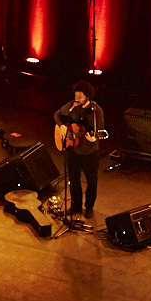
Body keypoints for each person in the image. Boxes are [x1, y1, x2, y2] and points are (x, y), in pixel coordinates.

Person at [53, 81, 105, 218]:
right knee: (73, 179)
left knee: (92, 181)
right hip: (73, 151)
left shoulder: (96, 111)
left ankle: (89, 207)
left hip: (90, 152)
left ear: (87, 96)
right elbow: (57, 115)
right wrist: (62, 127)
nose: (77, 99)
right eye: (76, 96)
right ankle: (75, 205)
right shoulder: (71, 106)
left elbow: (100, 131)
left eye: (79, 97)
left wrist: (95, 138)